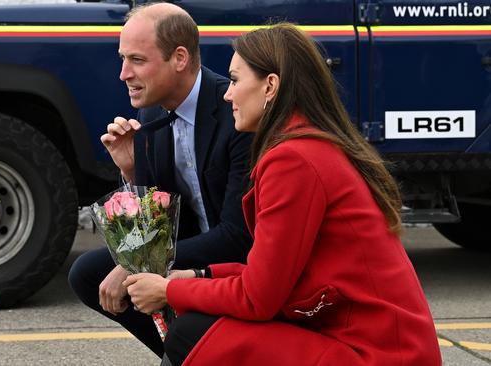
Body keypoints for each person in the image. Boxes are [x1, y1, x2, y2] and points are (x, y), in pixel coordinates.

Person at [123, 23, 442, 366]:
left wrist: (168, 290)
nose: (227, 94)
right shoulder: (310, 144)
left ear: (270, 86)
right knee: (200, 327)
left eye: (234, 80)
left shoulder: (293, 159)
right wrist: (200, 276)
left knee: (193, 331)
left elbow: (258, 298)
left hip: (376, 354)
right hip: (376, 342)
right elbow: (270, 273)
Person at [68, 2, 252, 357]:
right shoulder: (151, 110)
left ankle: (197, 349)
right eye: (123, 59)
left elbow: (237, 235)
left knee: (130, 279)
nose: (123, 73)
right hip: (191, 246)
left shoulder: (234, 110)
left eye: (137, 60)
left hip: (239, 258)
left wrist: (142, 267)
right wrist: (131, 172)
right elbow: (157, 219)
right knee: (87, 274)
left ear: (179, 58)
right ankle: (189, 353)